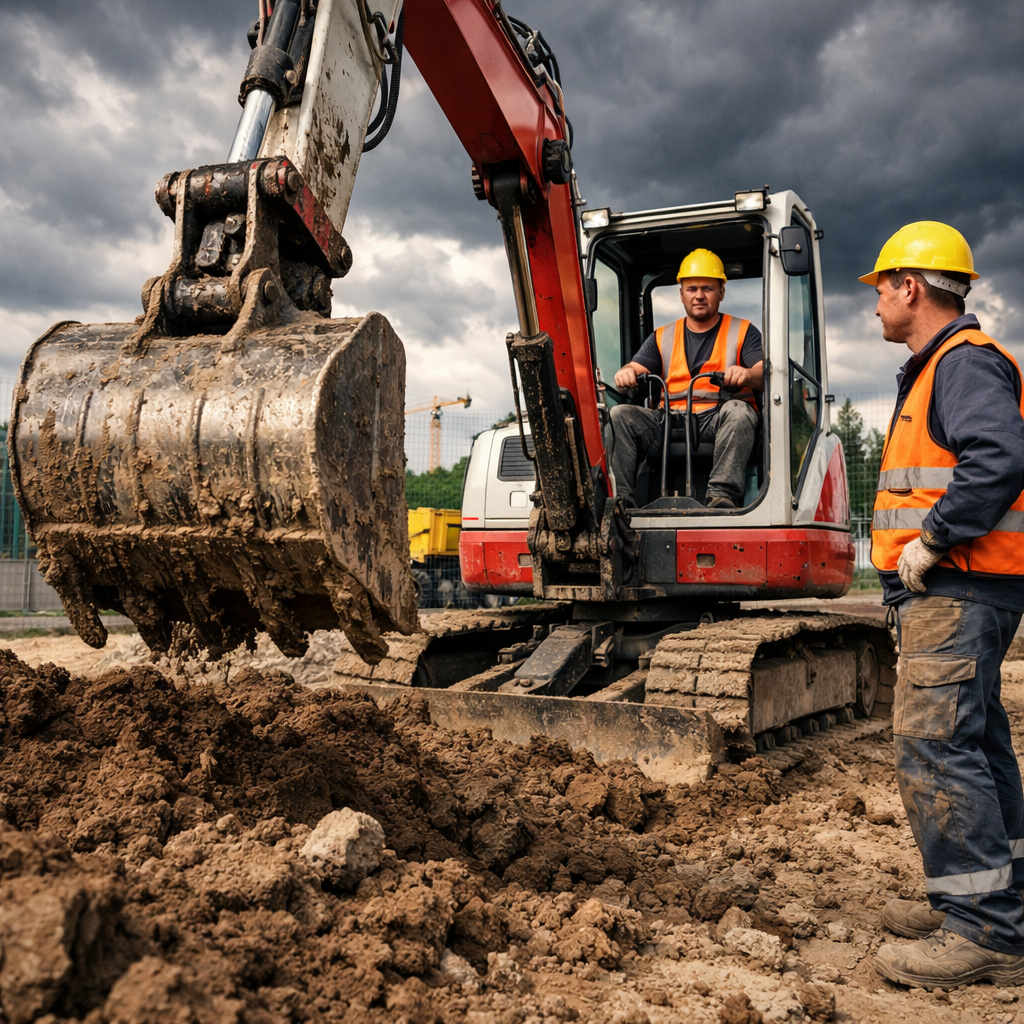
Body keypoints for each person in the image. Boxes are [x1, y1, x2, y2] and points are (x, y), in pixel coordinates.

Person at [864, 222, 1024, 989]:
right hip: (967, 586)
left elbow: (998, 457)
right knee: (978, 742)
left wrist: (930, 540)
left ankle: (984, 931)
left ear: (912, 287)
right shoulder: (941, 367)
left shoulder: (961, 366)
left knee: (937, 747)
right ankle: (996, 899)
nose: (877, 303)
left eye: (883, 287)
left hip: (958, 584)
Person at [609, 248, 764, 508]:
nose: (699, 295)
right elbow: (634, 367)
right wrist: (626, 372)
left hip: (717, 418)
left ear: (721, 292)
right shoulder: (662, 336)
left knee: (740, 411)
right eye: (692, 289)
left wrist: (747, 373)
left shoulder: (743, 331)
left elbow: (764, 374)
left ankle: (721, 496)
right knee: (620, 415)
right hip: (669, 420)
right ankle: (621, 502)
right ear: (681, 293)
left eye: (708, 288)